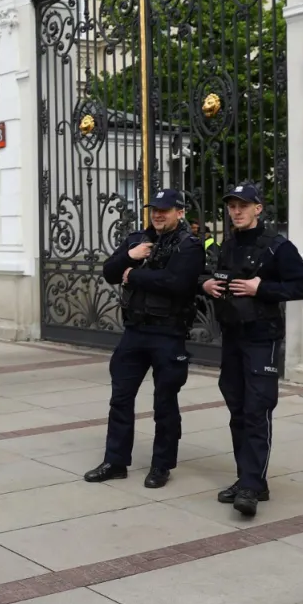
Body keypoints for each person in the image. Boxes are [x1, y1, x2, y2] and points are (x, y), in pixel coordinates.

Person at [201, 182, 303, 518]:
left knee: (256, 409)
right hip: (233, 337)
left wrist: (261, 287)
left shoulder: (278, 247)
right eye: (232, 206)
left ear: (258, 209)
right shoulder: (229, 243)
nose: (236, 211)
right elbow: (216, 276)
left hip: (261, 338)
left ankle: (251, 485)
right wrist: (207, 283)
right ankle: (248, 478)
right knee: (237, 408)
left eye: (243, 205)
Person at [82, 189, 203, 489]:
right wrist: (129, 256)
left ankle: (161, 465)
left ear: (180, 212)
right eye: (154, 210)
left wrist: (133, 275)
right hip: (135, 332)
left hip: (168, 333)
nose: (158, 215)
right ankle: (116, 461)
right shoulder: (137, 241)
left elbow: (178, 283)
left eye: (165, 210)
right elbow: (110, 272)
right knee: (120, 398)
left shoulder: (190, 245)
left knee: (165, 402)